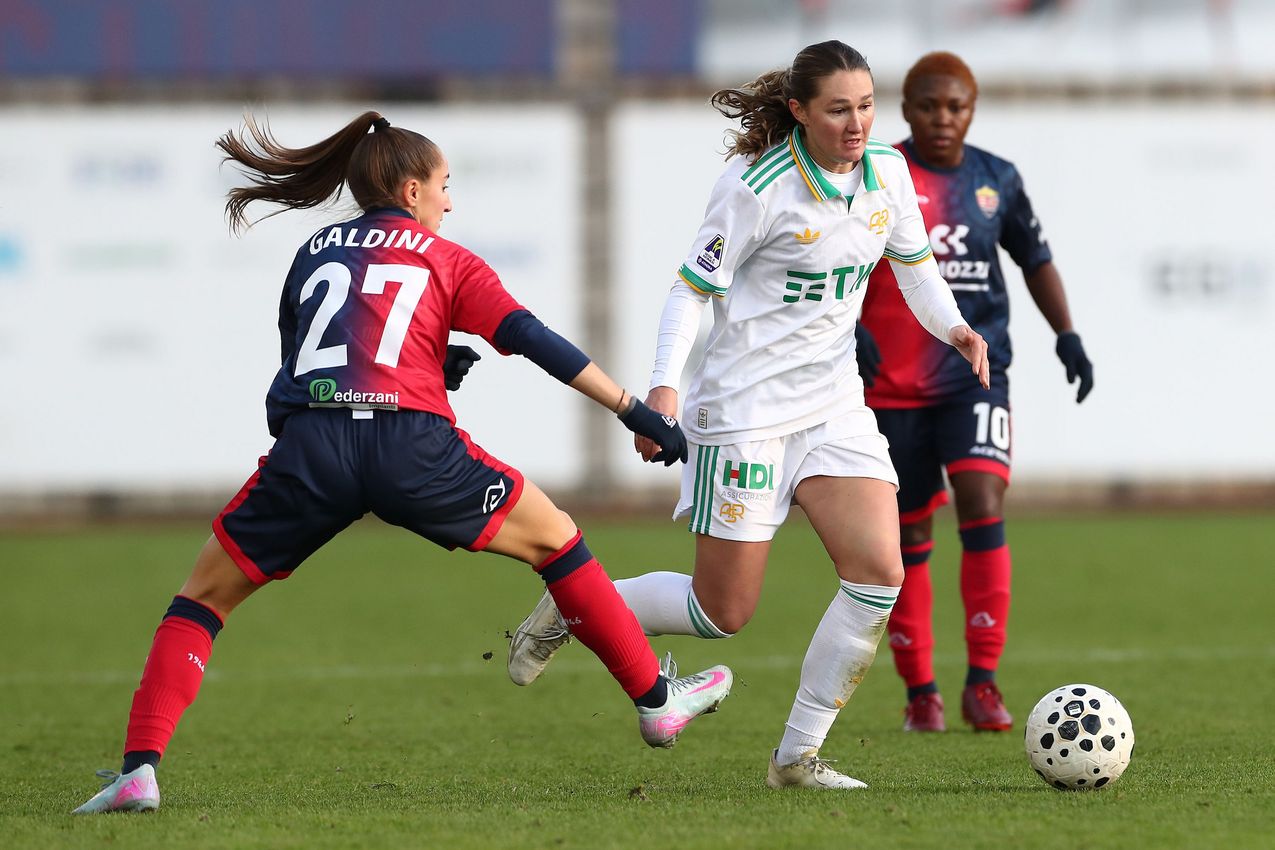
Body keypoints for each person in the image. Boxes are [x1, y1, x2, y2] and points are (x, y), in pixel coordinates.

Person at [72, 112, 733, 815]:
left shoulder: (317, 249)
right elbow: (533, 339)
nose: (450, 200)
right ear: (412, 189)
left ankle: (139, 771)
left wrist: (420, 364)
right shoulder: (442, 257)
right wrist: (633, 410)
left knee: (200, 601)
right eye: (445, 185)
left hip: (313, 449)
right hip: (410, 447)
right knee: (557, 541)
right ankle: (656, 702)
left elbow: (307, 358)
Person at [508, 41, 989, 790]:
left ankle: (795, 758)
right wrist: (663, 388)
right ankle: (571, 604)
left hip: (833, 407)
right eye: (838, 109)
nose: (856, 122)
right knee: (719, 612)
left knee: (877, 574)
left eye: (864, 105)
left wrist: (954, 328)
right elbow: (689, 291)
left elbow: (915, 267)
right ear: (798, 112)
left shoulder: (887, 173)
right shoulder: (755, 185)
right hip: (744, 414)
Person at [854, 52, 1093, 733]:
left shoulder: (996, 180)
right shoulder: (877, 176)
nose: (941, 118)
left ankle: (982, 683)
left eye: (954, 106)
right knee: (907, 533)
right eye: (927, 105)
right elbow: (836, 262)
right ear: (905, 110)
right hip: (888, 387)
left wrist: (1066, 334)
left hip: (973, 374)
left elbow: (1034, 258)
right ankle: (920, 693)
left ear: (971, 109)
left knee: (982, 499)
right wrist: (846, 330)